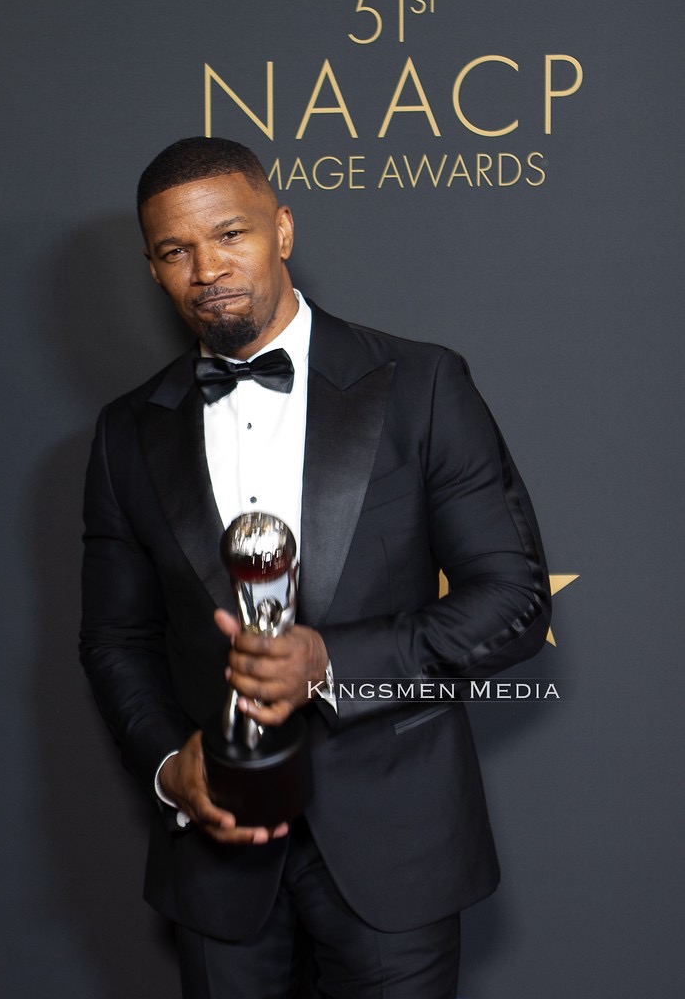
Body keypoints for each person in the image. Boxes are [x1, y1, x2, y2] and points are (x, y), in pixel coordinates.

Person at [79, 136, 550, 998]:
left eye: (230, 234)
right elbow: (116, 640)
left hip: (395, 846)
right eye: (175, 251)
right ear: (151, 269)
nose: (206, 269)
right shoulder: (125, 432)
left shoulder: (421, 384)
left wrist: (330, 663)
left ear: (283, 230)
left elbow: (513, 601)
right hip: (216, 857)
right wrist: (169, 767)